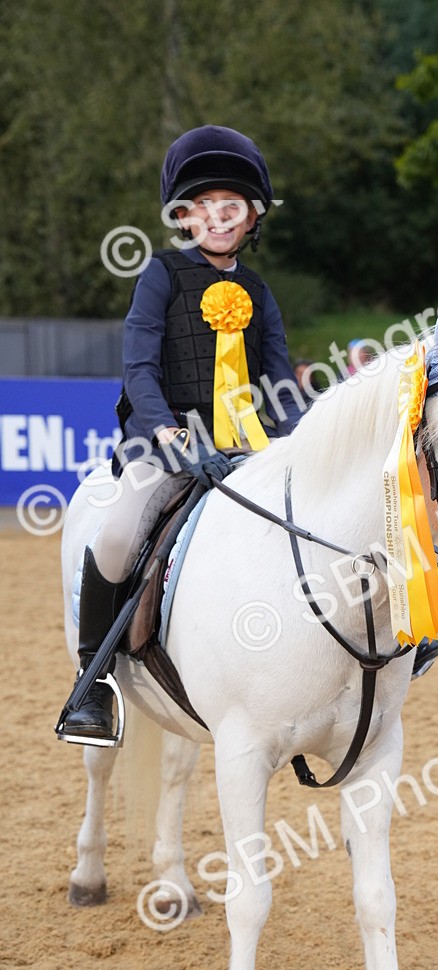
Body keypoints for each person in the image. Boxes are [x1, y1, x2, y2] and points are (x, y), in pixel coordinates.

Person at [59, 125, 305, 744]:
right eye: (204, 209)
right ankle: (95, 684)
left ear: (252, 218)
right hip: (162, 444)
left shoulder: (259, 293)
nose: (218, 219)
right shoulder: (160, 275)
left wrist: (303, 440)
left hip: (241, 450)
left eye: (232, 208)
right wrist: (167, 432)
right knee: (115, 536)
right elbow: (139, 366)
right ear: (185, 217)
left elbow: (278, 382)